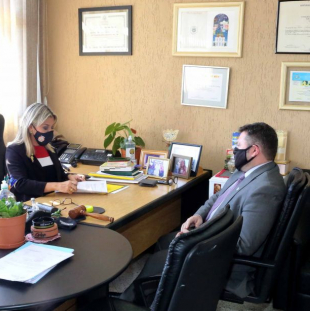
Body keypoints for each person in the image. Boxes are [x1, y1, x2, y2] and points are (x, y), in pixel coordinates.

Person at [121, 122, 286, 304]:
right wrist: (199, 215)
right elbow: (216, 198)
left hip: (227, 265)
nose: (233, 150)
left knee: (165, 256)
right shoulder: (246, 172)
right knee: (164, 243)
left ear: (254, 151)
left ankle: (130, 302)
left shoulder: (266, 188)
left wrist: (196, 238)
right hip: (214, 237)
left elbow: (243, 245)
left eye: (238, 146)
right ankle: (156, 298)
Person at [6, 103, 85, 202]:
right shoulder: (15, 151)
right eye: (45, 127)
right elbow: (20, 184)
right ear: (31, 127)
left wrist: (69, 177)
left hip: (54, 199)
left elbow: (56, 175)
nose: (50, 132)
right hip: (31, 203)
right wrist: (57, 186)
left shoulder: (49, 149)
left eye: (52, 127)